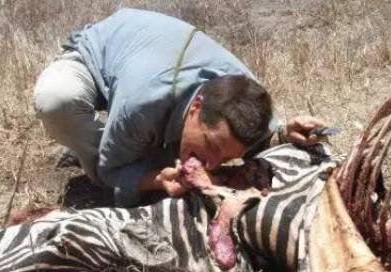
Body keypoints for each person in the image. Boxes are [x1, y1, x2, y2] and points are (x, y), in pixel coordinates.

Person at [33, 8, 326, 207]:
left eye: (227, 158)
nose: (212, 165)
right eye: (211, 145)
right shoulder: (142, 102)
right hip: (99, 55)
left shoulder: (247, 96)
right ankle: (92, 146)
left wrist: (286, 133)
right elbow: (112, 172)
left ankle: (123, 142)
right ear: (197, 106)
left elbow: (262, 137)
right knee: (56, 100)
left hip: (154, 61)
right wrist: (154, 180)